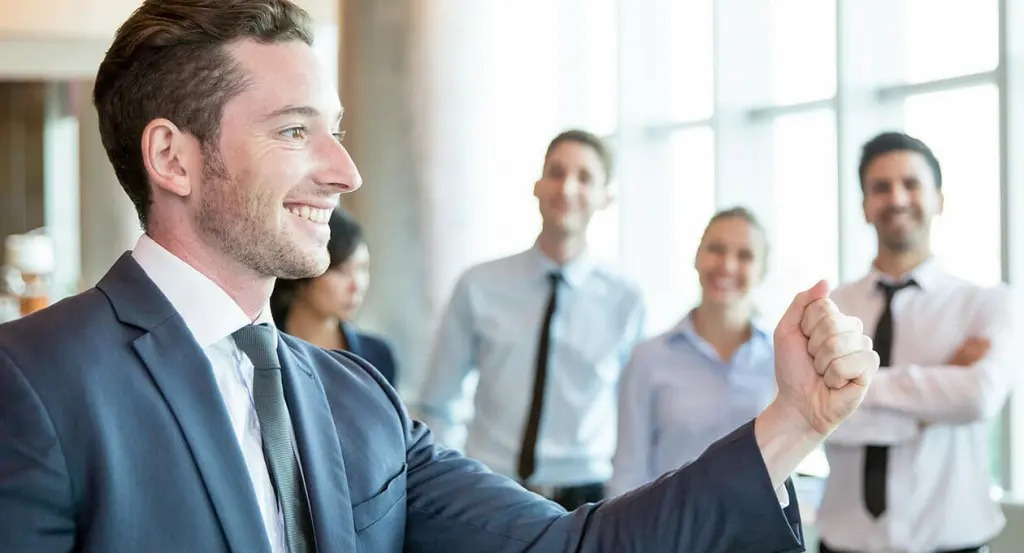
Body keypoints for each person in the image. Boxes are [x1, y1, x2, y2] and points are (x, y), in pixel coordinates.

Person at [0, 1, 879, 551]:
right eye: (296, 130)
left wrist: (793, 423)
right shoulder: (31, 381)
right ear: (173, 158)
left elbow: (572, 547)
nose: (345, 170)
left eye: (337, 129)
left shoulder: (355, 398)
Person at [417, 129, 644, 509]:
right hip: (489, 489)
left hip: (589, 499)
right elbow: (439, 402)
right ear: (537, 185)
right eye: (556, 172)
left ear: (606, 198)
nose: (566, 188)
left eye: (584, 177)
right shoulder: (479, 285)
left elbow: (634, 416)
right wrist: (452, 484)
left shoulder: (626, 300)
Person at [816, 131, 1017, 553]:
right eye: (881, 187)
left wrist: (854, 390)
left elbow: (978, 397)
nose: (897, 198)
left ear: (938, 199)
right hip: (845, 544)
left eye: (911, 184)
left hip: (954, 543)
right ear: (865, 207)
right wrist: (939, 390)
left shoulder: (986, 304)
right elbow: (820, 418)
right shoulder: (830, 309)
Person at [609, 206, 776, 497]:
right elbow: (628, 472)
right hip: (672, 523)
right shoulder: (648, 358)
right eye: (716, 249)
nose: (727, 265)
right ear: (697, 257)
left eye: (745, 255)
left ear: (761, 271)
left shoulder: (781, 360)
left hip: (758, 524)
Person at [271, 208, 398, 386]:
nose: (356, 285)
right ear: (303, 272)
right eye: (341, 271)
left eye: (363, 268)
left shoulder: (377, 356)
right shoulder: (265, 349)